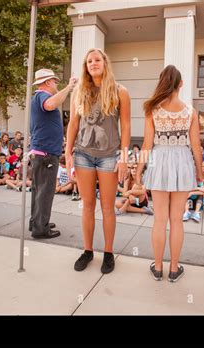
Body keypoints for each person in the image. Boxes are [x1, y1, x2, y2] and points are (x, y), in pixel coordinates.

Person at [66, 48, 130, 274]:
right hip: (83, 154)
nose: (93, 63)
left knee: (107, 207)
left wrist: (124, 157)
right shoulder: (80, 92)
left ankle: (109, 253)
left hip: (109, 156)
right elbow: (73, 124)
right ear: (86, 66)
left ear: (105, 62)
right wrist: (68, 153)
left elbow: (126, 126)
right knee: (87, 206)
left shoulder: (120, 91)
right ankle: (87, 250)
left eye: (97, 59)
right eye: (89, 61)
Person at [136, 64, 203, 282]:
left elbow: (146, 144)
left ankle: (158, 267)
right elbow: (196, 145)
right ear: (181, 84)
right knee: (177, 220)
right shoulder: (190, 112)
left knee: (159, 219)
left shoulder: (152, 110)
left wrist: (138, 171)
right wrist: (200, 172)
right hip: (183, 161)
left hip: (158, 160)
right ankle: (174, 269)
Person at [30, 68, 77, 239]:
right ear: (48, 82)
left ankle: (37, 222)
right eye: (55, 82)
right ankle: (40, 228)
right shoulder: (43, 96)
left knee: (38, 190)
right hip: (46, 153)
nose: (57, 85)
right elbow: (50, 104)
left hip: (42, 152)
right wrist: (69, 87)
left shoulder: (38, 97)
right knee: (45, 191)